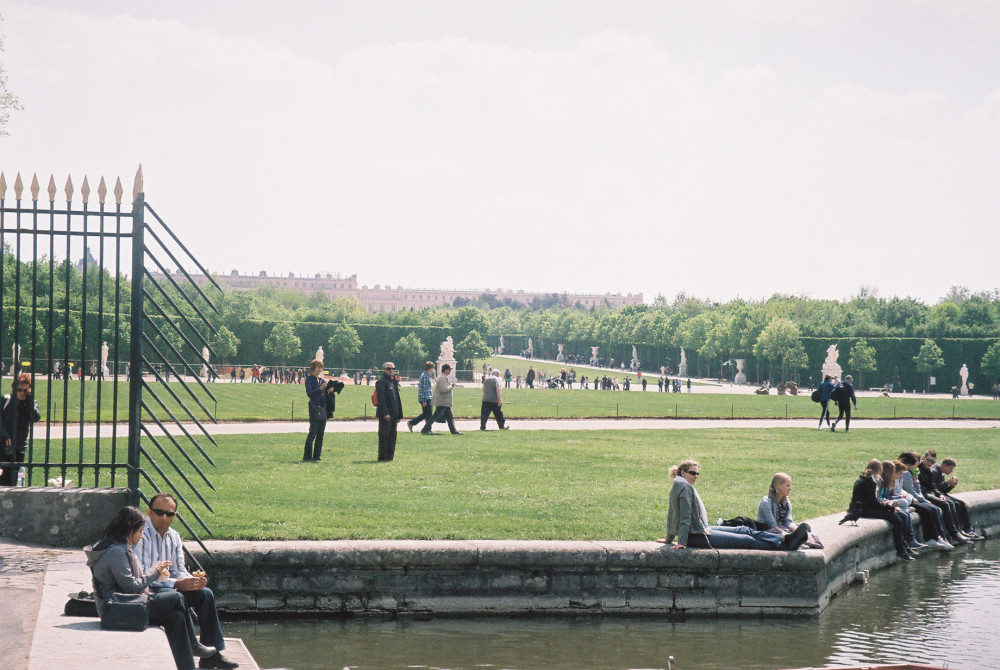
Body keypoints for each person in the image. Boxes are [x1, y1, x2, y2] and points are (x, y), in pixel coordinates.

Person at [86, 506, 216, 670]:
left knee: (175, 616)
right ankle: (194, 645)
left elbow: (134, 582)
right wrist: (155, 571)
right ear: (129, 527)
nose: (141, 536)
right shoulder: (116, 552)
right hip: (116, 609)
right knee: (176, 597)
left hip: (127, 604)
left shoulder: (123, 547)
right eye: (139, 531)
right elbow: (131, 587)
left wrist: (156, 573)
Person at [138, 493, 239, 669]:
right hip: (152, 591)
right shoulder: (141, 536)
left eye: (169, 514)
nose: (164, 517)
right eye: (159, 512)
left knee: (205, 594)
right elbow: (144, 576)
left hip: (170, 587)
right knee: (176, 598)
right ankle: (193, 645)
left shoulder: (174, 537)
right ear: (149, 512)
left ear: (174, 516)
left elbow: (179, 570)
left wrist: (192, 581)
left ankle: (213, 655)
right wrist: (177, 584)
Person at [663, 460, 808, 551]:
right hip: (695, 536)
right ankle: (785, 543)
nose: (695, 476)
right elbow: (683, 517)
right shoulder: (685, 489)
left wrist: (668, 539)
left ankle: (785, 538)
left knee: (743, 529)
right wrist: (681, 541)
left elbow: (672, 514)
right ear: (683, 472)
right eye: (692, 473)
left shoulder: (679, 486)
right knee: (746, 540)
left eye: (697, 473)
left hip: (700, 529)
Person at [847, 459, 913, 560]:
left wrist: (888, 507)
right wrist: (890, 508)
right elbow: (873, 503)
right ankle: (901, 550)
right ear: (878, 470)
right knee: (897, 519)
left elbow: (873, 501)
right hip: (864, 510)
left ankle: (904, 546)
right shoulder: (869, 482)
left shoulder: (864, 479)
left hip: (864, 508)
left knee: (899, 516)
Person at [919, 452, 983, 541]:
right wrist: (947, 483)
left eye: (932, 462)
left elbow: (942, 490)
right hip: (932, 494)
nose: (951, 471)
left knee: (961, 503)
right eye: (950, 468)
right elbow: (935, 488)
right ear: (944, 465)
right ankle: (957, 531)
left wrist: (951, 485)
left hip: (938, 493)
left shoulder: (940, 472)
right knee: (952, 503)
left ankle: (966, 529)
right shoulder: (934, 471)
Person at [893, 456, 953, 550]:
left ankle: (939, 537)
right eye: (916, 463)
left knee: (934, 509)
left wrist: (921, 499)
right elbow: (908, 491)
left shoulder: (914, 472)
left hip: (911, 498)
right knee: (927, 510)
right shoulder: (905, 474)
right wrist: (918, 499)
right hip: (910, 499)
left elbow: (916, 489)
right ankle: (929, 538)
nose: (918, 464)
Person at [0, 373, 41, 486]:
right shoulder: (5, 400)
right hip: (3, 444)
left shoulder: (30, 403)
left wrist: (29, 399)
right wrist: (4, 434)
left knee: (13, 477)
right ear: (14, 388)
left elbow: (35, 418)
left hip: (19, 446)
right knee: (2, 476)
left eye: (25, 390)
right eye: (19, 389)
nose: (22, 393)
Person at [303, 359, 341, 462]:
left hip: (323, 408)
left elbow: (337, 386)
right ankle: (307, 456)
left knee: (321, 434)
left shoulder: (321, 380)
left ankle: (317, 456)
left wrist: (330, 390)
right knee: (312, 433)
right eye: (318, 367)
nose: (320, 369)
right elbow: (309, 393)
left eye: (321, 367)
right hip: (314, 408)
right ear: (313, 368)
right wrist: (320, 388)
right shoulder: (309, 380)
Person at [375, 362, 404, 461]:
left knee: (393, 436)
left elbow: (397, 399)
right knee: (384, 436)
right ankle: (382, 457)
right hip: (386, 414)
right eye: (389, 368)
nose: (392, 370)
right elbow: (381, 400)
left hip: (394, 414)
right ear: (384, 370)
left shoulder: (394, 382)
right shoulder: (381, 382)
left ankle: (390, 457)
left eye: (393, 368)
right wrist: (385, 413)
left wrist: (399, 414)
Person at [423, 363, 461, 436]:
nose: (450, 371)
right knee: (436, 416)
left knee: (449, 417)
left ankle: (453, 430)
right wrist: (451, 386)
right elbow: (443, 389)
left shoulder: (443, 377)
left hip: (444, 402)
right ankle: (425, 429)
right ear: (446, 370)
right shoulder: (442, 378)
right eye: (449, 370)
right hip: (442, 401)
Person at [407, 362, 436, 432]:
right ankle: (412, 423)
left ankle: (427, 428)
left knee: (427, 414)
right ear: (430, 368)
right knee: (427, 414)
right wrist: (424, 401)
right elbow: (424, 389)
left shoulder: (425, 375)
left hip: (427, 397)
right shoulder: (425, 376)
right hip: (426, 398)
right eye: (433, 368)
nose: (433, 370)